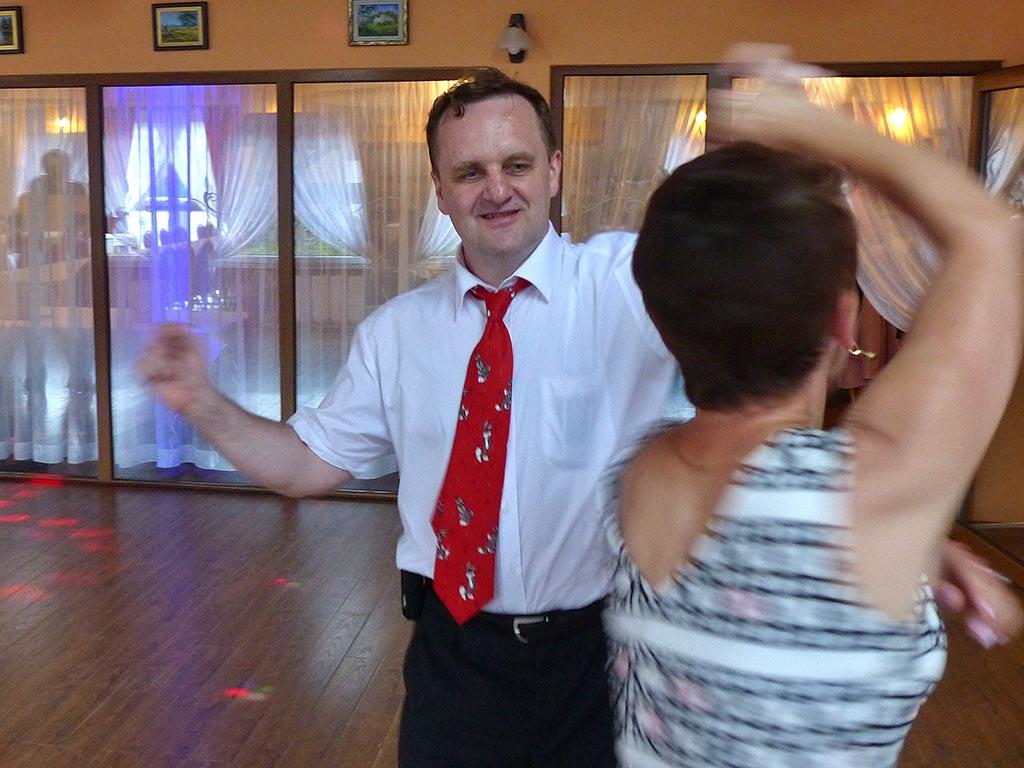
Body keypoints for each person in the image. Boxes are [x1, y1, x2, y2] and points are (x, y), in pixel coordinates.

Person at [136, 67, 1019, 768]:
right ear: (440, 190)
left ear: (554, 171)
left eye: (517, 164)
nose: (497, 189)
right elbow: (305, 467)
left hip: (605, 654)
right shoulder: (394, 336)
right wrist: (202, 403)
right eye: (470, 172)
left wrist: (886, 529)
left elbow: (757, 371)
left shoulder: (633, 279)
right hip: (455, 656)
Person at [603, 48, 1024, 767]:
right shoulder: (871, 491)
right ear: (842, 318)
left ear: (663, 324)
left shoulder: (637, 474)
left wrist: (919, 544)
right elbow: (992, 234)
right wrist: (818, 128)